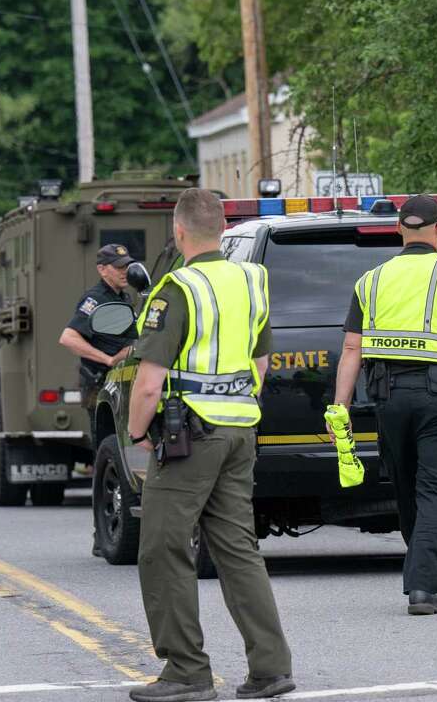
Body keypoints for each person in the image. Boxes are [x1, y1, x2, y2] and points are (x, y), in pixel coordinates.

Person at [125, 189, 294, 702]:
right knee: (238, 549)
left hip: (188, 437)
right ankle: (270, 668)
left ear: (178, 233)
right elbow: (260, 363)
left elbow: (149, 381)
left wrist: (137, 434)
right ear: (221, 228)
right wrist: (235, 403)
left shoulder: (176, 288)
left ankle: (186, 672)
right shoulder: (252, 280)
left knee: (162, 547)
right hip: (240, 431)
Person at [330, 194, 437, 615]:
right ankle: (424, 586)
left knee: (408, 488)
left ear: (398, 230)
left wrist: (341, 407)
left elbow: (351, 348)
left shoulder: (370, 280)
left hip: (388, 399)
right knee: (436, 490)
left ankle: (434, 564)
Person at [59, 244, 139, 557]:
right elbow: (68, 337)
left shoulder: (123, 297)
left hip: (123, 385)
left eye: (126, 266)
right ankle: (101, 534)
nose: (124, 272)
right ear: (102, 269)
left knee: (120, 455)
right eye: (118, 267)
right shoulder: (95, 300)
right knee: (105, 457)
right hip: (101, 386)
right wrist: (106, 359)